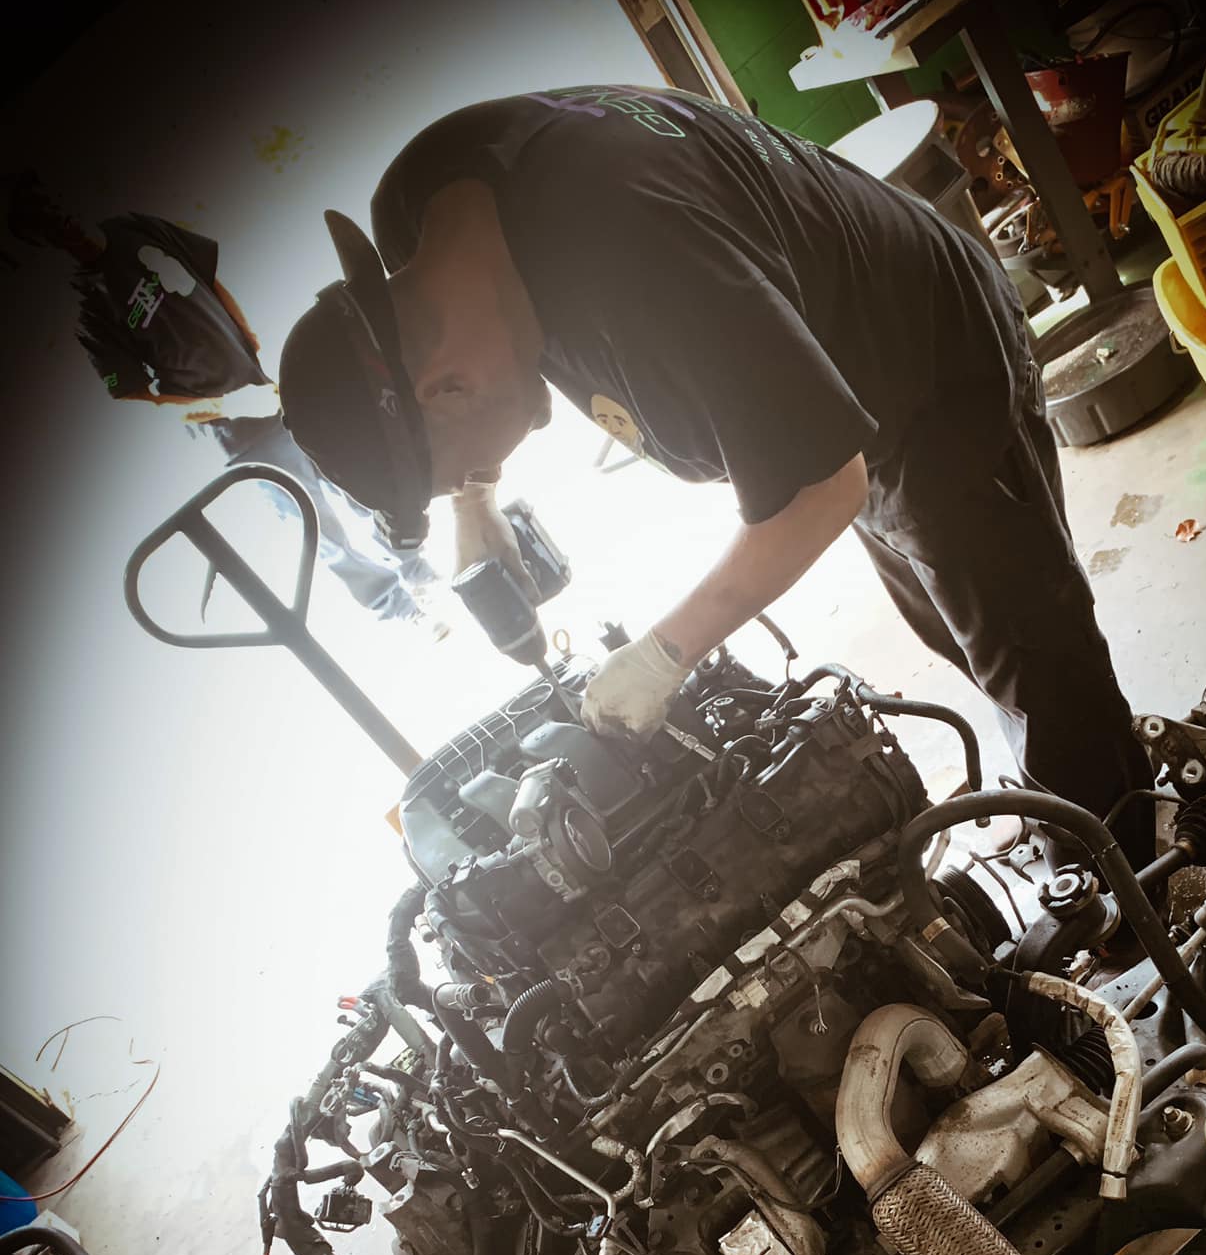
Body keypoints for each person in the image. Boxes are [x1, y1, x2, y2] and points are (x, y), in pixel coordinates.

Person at [274, 87, 1153, 856]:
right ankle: (1074, 802)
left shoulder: (641, 266)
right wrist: (476, 502)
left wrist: (665, 654)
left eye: (464, 464)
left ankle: (1131, 885)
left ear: (449, 387)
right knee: (957, 624)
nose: (482, 470)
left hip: (927, 365)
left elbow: (823, 487)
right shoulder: (423, 210)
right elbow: (814, 457)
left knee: (1031, 654)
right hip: (831, 379)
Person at [4, 171, 447, 634]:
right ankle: (398, 607)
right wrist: (228, 405)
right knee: (319, 527)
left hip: (277, 390)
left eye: (56, 203)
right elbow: (138, 400)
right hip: (243, 435)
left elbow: (209, 281)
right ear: (43, 239)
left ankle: (420, 574)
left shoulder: (134, 229)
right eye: (45, 220)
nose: (62, 218)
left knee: (359, 481)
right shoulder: (91, 309)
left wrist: (255, 350)